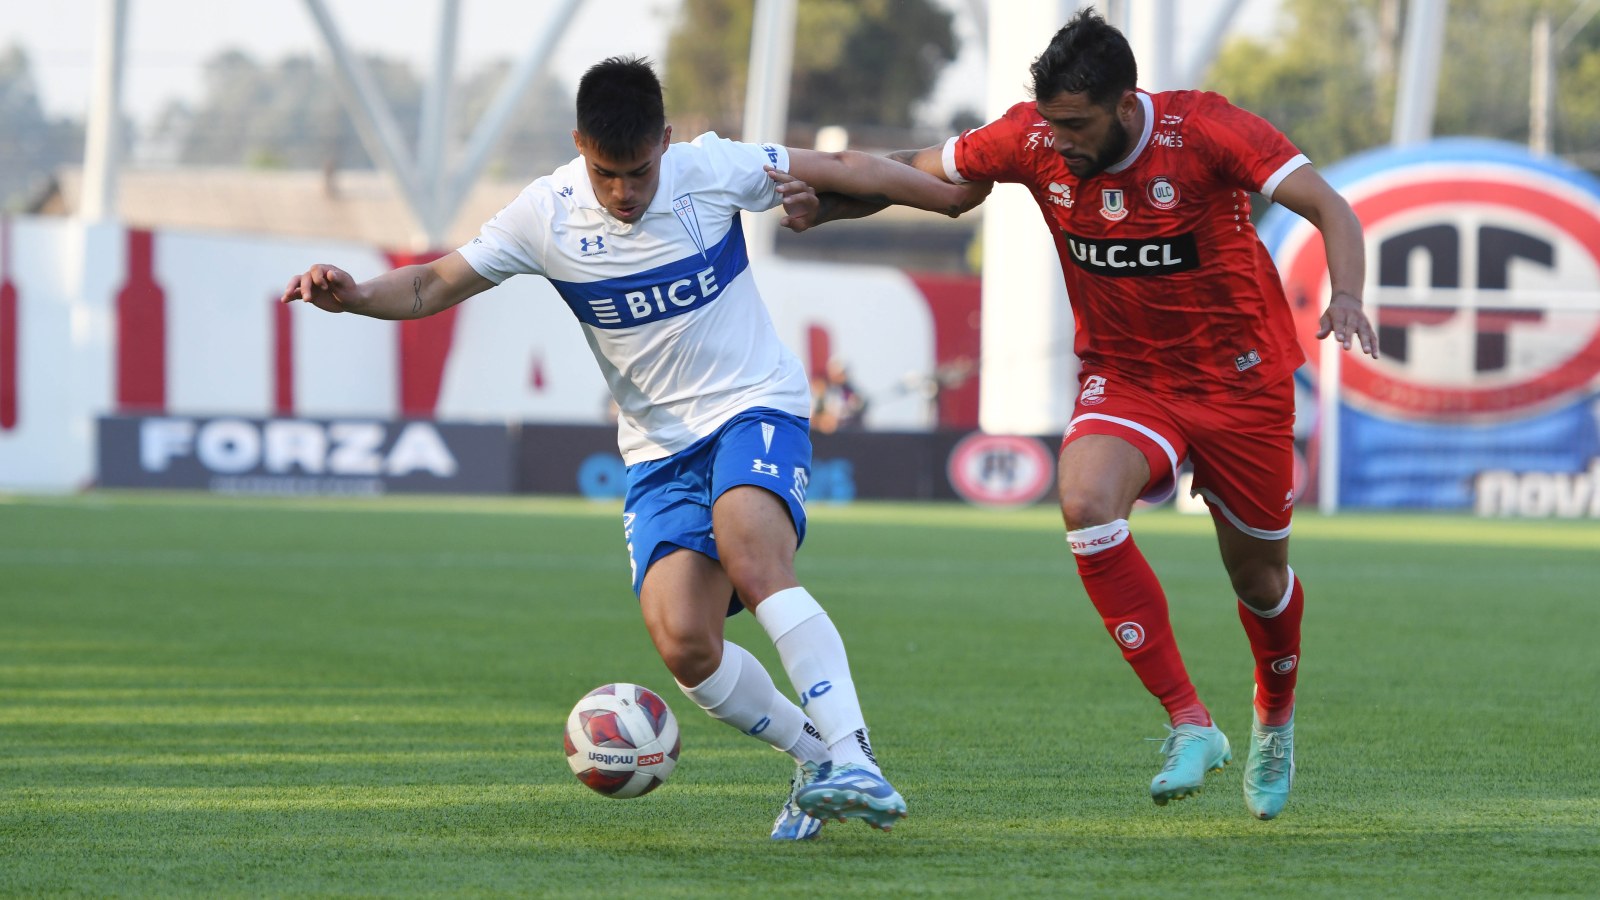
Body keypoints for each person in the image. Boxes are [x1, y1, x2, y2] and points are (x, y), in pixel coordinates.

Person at [281, 56, 982, 839]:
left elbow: (847, 166)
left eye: (640, 171)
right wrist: (353, 297)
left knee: (753, 553)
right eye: (607, 173)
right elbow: (432, 284)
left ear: (667, 142)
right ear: (580, 144)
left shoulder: (709, 169)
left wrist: (950, 193)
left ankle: (856, 756)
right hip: (657, 450)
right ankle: (815, 757)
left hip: (755, 407)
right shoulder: (542, 215)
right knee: (685, 641)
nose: (624, 192)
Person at [792, 9, 1378, 821]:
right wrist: (832, 204)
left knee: (1260, 580)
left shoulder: (1206, 129)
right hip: (1128, 376)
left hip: (1240, 384)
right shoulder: (1032, 137)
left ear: (1126, 104)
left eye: (1077, 125)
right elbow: (928, 179)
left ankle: (1273, 720)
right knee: (1085, 501)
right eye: (1052, 123)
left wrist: (1345, 294)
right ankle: (1189, 722)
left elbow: (1330, 207)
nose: (1060, 141)